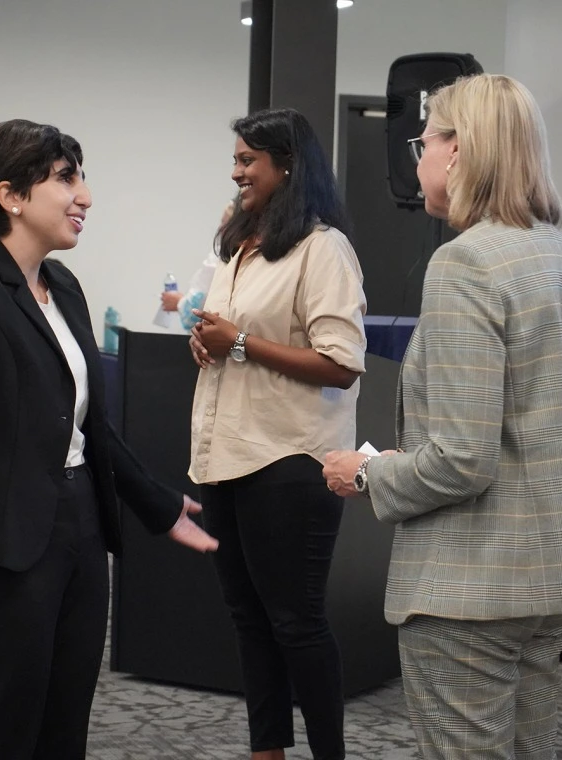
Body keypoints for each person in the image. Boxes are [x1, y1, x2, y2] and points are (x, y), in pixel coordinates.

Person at [0, 119, 218, 760]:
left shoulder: (64, 286)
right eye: (66, 178)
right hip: (9, 544)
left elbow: (89, 427)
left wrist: (158, 505)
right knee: (7, 732)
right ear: (10, 196)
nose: (86, 196)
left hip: (80, 530)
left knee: (65, 729)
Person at [322, 74, 562, 760]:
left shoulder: (465, 265)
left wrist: (367, 472)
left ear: (457, 152)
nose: (416, 158)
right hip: (550, 579)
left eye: (423, 140)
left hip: (470, 591)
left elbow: (461, 459)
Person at [187, 108, 367, 760]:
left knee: (296, 623)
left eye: (248, 161)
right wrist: (210, 343)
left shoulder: (323, 248)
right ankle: (268, 752)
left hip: (290, 460)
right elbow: (237, 338)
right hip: (228, 453)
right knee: (250, 619)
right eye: (235, 159)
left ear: (288, 166)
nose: (236, 172)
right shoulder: (240, 243)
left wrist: (240, 343)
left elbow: (342, 363)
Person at [160, 197, 237, 330]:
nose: (219, 229)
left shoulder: (221, 257)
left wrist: (178, 302)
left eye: (224, 223)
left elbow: (198, 309)